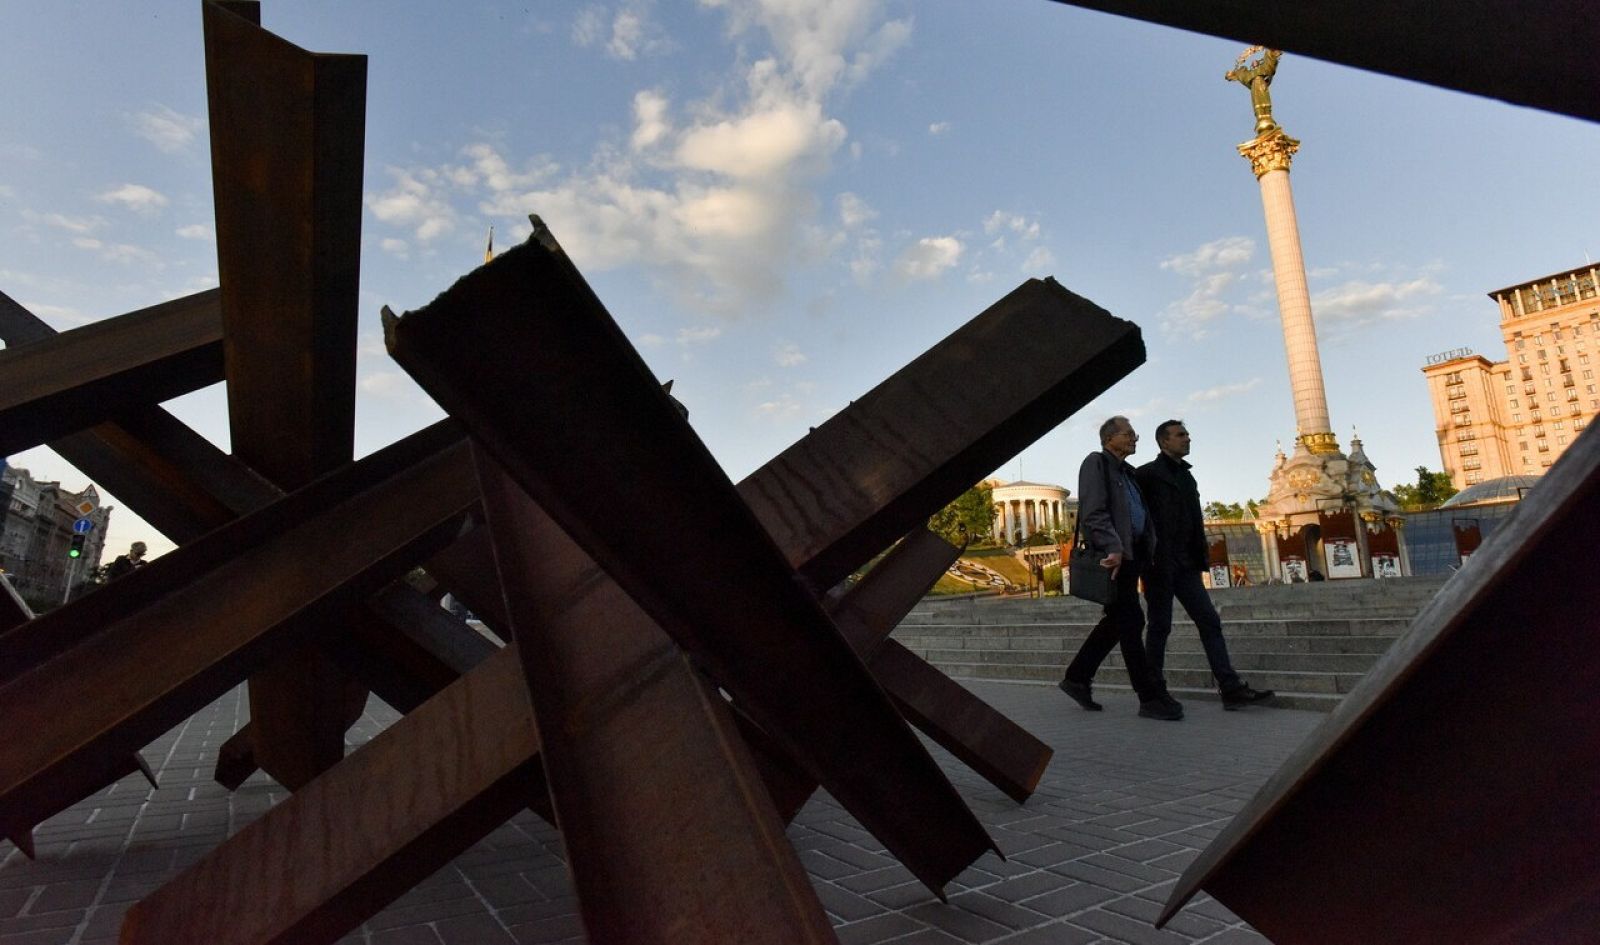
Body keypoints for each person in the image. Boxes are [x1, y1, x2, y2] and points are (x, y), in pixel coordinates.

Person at [1136, 421, 1276, 711]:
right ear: (1164, 442)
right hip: (1159, 564)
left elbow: (1194, 523)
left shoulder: (1188, 477)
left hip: (1186, 564)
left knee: (1209, 621)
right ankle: (1152, 694)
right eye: (1181, 435)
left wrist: (1200, 556)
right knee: (1160, 626)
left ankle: (1230, 688)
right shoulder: (1147, 474)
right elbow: (1136, 519)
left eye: (1187, 434)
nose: (1188, 439)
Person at [1058, 417, 1180, 720]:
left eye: (1134, 434)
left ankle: (1077, 678)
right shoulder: (1096, 463)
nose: (1135, 439)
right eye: (1128, 434)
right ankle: (1149, 697)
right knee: (1130, 619)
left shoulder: (1128, 472)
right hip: (1116, 556)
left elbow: (1138, 514)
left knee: (1120, 620)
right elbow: (1094, 511)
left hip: (1133, 554)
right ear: (1109, 438)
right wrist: (1113, 547)